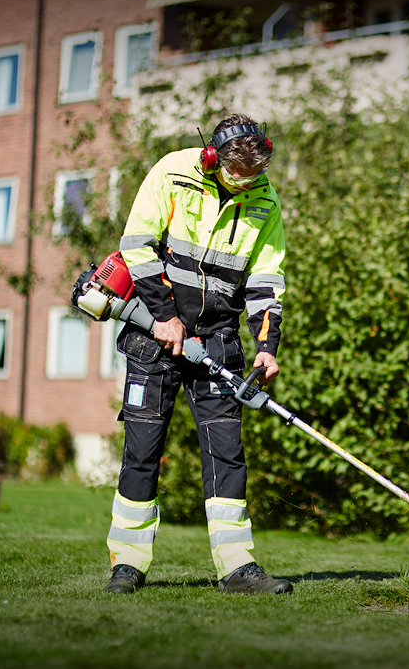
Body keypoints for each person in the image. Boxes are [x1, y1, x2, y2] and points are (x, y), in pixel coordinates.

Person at [104, 114, 291, 595]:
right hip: (155, 335)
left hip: (218, 340)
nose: (245, 183)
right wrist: (166, 316)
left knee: (227, 452)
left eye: (253, 176)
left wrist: (266, 347)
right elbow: (137, 247)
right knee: (142, 450)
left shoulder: (265, 201)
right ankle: (127, 564)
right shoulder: (172, 172)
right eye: (236, 175)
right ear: (212, 158)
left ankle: (237, 567)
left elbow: (266, 279)